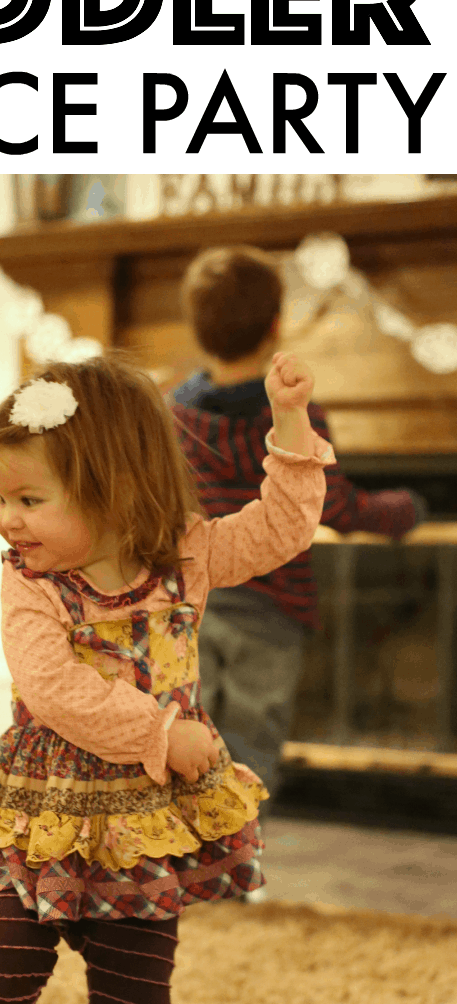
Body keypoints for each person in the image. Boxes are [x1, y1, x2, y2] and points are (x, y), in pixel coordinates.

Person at [0, 350, 333, 1004]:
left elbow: (282, 529)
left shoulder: (188, 550)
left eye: (29, 499)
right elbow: (53, 688)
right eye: (1, 497)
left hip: (145, 820)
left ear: (113, 485)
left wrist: (289, 425)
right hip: (39, 806)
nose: (7, 519)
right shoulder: (31, 581)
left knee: (138, 999)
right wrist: (157, 730)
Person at [171, 246, 425, 831]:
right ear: (275, 326)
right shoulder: (291, 414)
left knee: (191, 726)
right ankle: (232, 849)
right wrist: (404, 509)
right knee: (253, 735)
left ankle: (184, 847)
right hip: (272, 603)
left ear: (198, 329)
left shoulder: (173, 413)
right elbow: (333, 504)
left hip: (196, 600)